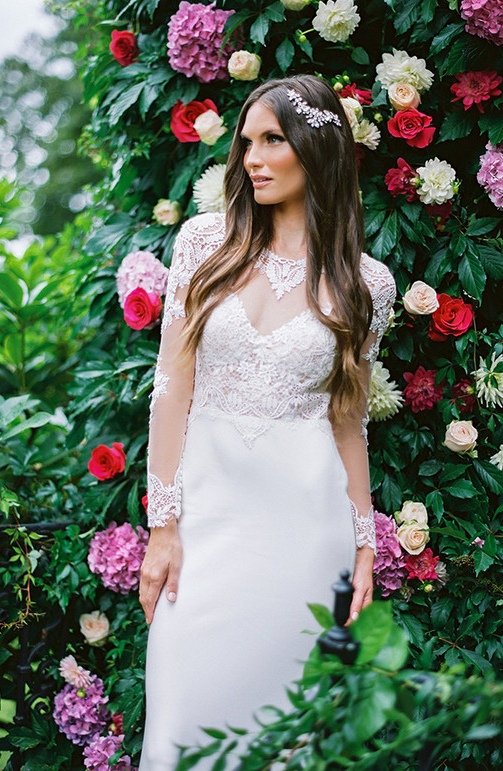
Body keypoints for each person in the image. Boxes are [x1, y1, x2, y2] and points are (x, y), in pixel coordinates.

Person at [138, 74, 396, 770]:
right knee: (178, 730)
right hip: (204, 532)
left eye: (272, 140)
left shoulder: (367, 284)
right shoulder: (201, 245)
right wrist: (162, 527)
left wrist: (365, 544)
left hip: (306, 539)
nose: (252, 157)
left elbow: (349, 418)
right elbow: (170, 389)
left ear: (316, 148)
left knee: (288, 741)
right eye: (246, 142)